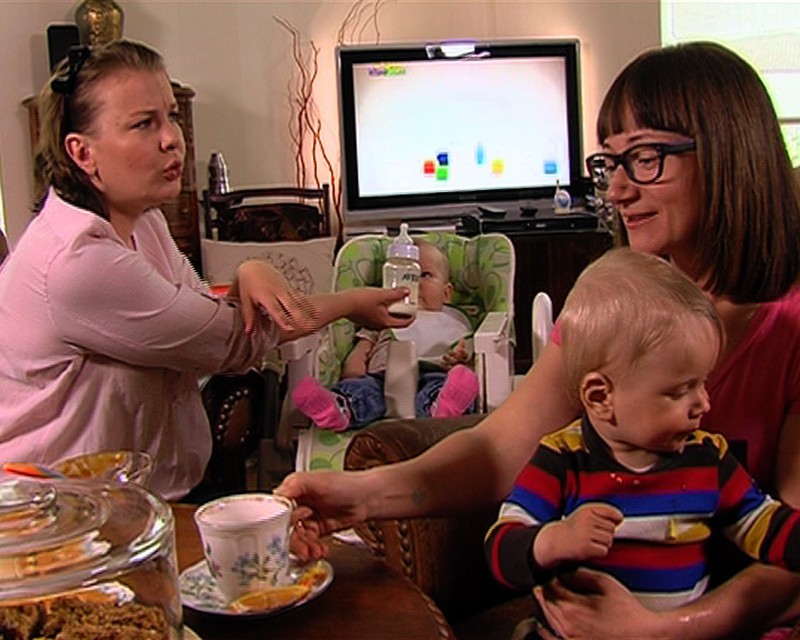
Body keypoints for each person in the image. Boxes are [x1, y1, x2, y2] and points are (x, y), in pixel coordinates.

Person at [278, 40, 800, 638]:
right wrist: (363, 496)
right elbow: (501, 449)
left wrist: (662, 630)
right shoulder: (612, 310)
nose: (617, 190)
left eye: (645, 158)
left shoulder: (789, 326)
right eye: (610, 163)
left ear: (730, 154)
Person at [0, 39, 412, 502]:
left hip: (127, 502)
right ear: (82, 153)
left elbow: (196, 311)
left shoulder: (144, 221)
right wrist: (352, 303)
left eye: (171, 116)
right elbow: (233, 340)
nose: (171, 138)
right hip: (57, 515)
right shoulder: (79, 264)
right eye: (143, 123)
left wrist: (248, 271)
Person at [485, 248, 800, 638]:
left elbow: (761, 524)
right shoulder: (563, 458)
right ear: (601, 396)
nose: (704, 403)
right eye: (680, 391)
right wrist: (553, 541)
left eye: (702, 383)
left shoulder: (709, 458)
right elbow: (500, 547)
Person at [291, 239, 479, 431]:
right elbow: (364, 346)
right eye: (405, 277)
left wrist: (459, 360)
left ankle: (443, 409)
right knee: (362, 391)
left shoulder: (453, 321)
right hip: (382, 378)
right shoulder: (383, 315)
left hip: (434, 372)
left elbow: (467, 355)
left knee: (441, 386)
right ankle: (336, 408)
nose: (413, 284)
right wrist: (354, 370)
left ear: (446, 293)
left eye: (424, 275)